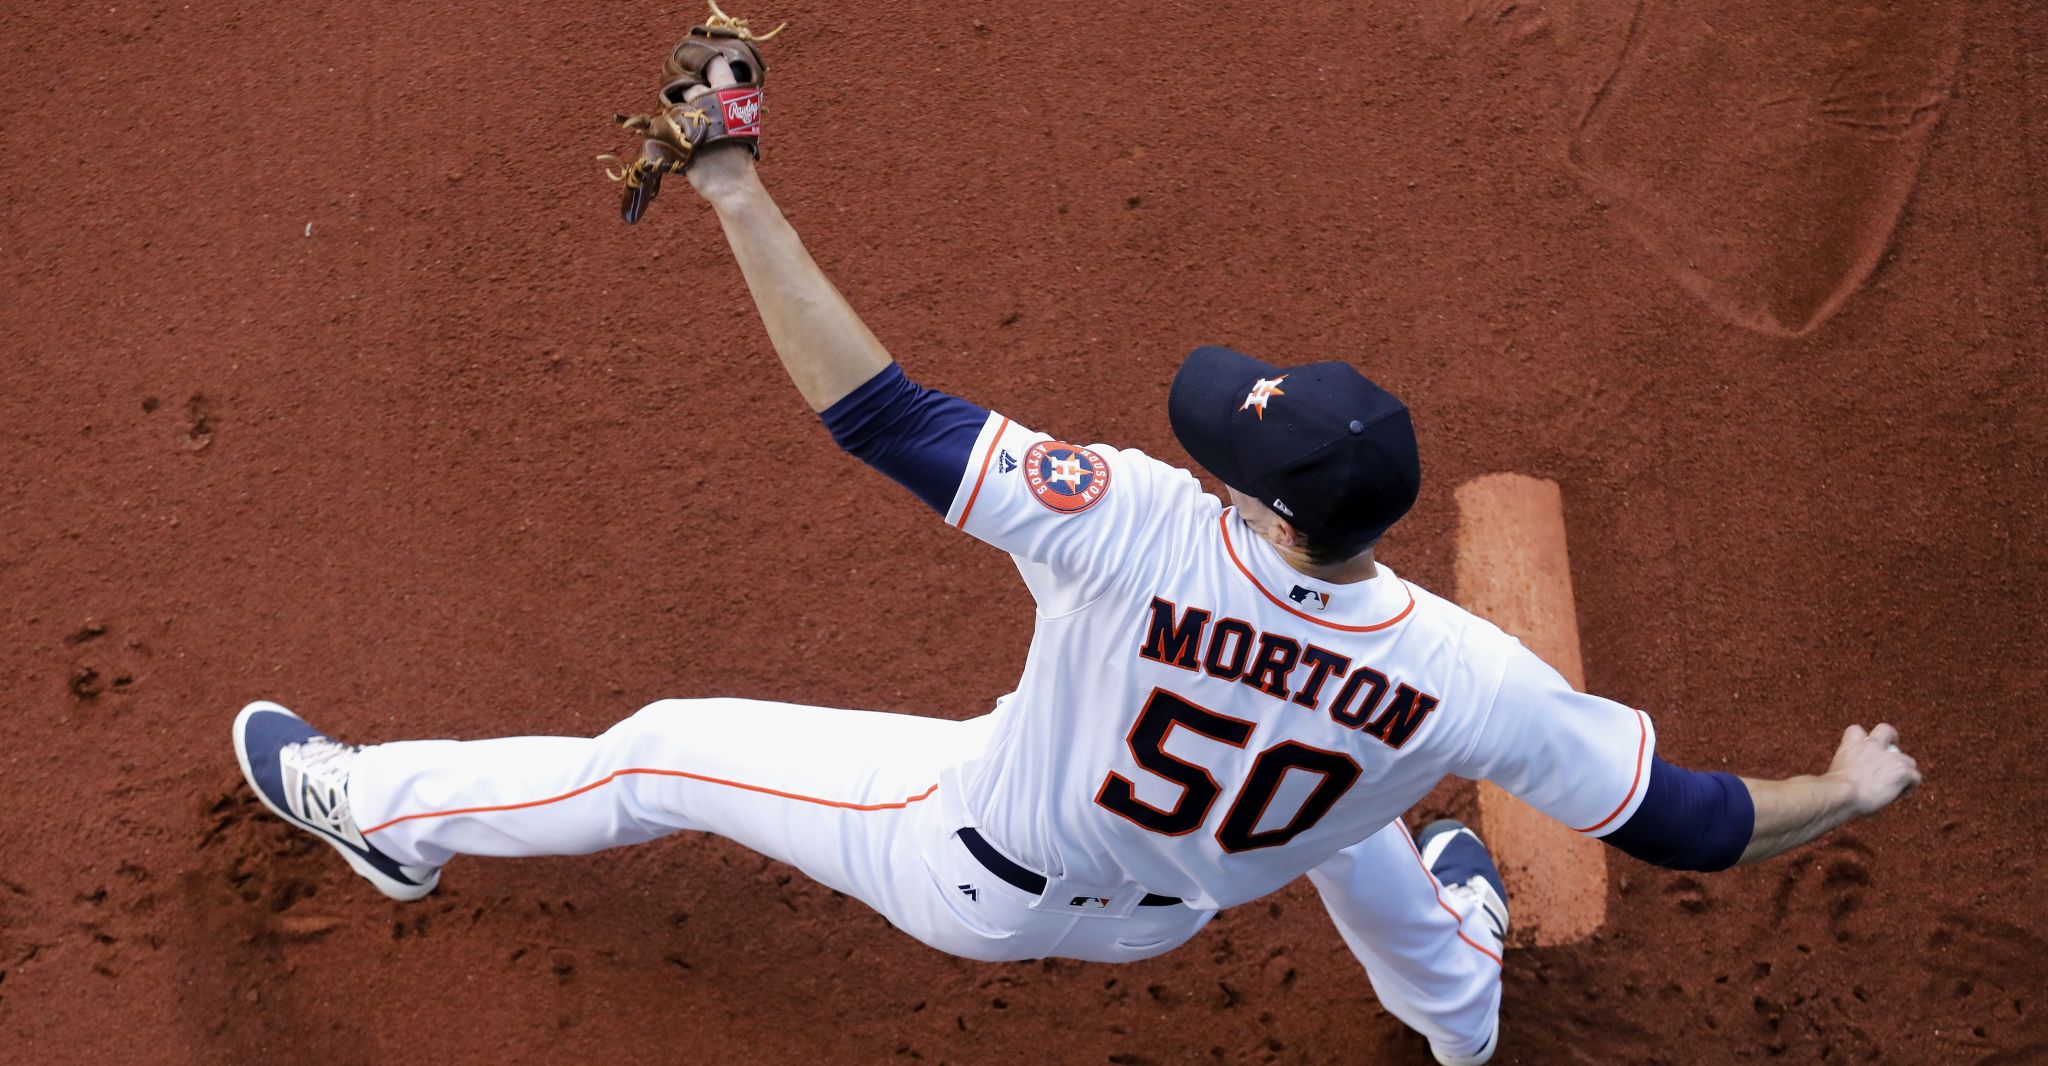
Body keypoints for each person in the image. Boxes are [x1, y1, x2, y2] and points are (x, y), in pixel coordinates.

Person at [230, 57, 1922, 1066]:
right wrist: (1842, 789)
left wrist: (737, 190)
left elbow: (881, 413)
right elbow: (1689, 819)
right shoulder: (1463, 668)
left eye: (1234, 454)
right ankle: (1462, 1024)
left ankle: (378, 814)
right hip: (1196, 897)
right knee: (1360, 812)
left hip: (979, 872)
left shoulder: (1135, 530)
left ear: (1267, 513)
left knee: (662, 748)